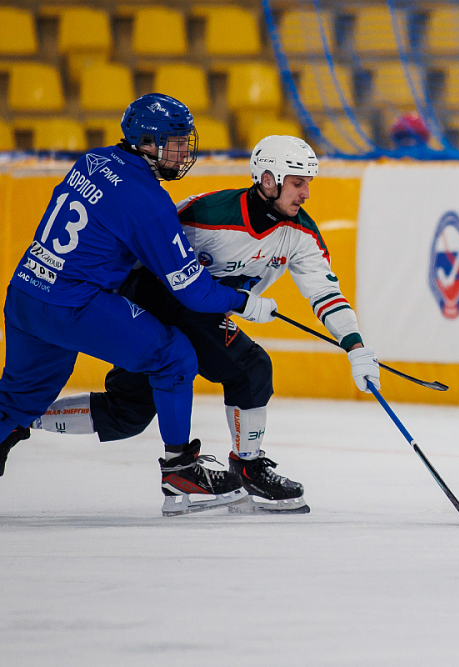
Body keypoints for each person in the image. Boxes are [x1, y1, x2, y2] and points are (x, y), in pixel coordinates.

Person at [31, 135, 380, 515]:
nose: (307, 193)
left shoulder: (301, 235)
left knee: (126, 414)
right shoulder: (206, 214)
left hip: (204, 307)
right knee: (250, 367)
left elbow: (325, 294)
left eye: (308, 182)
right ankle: (240, 467)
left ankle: (23, 417)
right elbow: (143, 245)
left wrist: (356, 347)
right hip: (155, 296)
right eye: (298, 183)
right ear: (268, 180)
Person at [0, 93, 278, 516]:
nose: (184, 152)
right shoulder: (147, 201)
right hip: (71, 304)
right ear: (147, 142)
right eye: (175, 142)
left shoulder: (94, 160)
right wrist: (245, 302)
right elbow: (193, 291)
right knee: (173, 356)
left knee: (17, 403)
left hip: (24, 295)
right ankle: (180, 469)